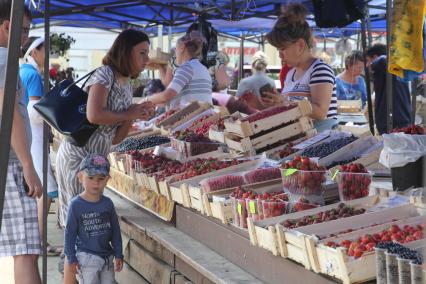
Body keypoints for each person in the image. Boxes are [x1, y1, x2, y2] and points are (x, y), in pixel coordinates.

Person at [55, 29, 155, 230]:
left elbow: (116, 138)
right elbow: (94, 115)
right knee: (77, 224)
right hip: (78, 159)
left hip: (96, 164)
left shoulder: (127, 84)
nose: (147, 58)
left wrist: (134, 114)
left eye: (147, 53)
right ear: (126, 52)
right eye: (142, 53)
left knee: (88, 226)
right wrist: (129, 113)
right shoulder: (105, 75)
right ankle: (71, 262)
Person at [0, 1, 43, 283]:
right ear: (7, 26)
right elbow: (8, 109)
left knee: (23, 248)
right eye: (24, 30)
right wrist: (28, 164)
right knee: (26, 249)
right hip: (11, 160)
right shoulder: (4, 58)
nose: (25, 37)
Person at [265, 3, 338, 132]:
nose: (280, 55)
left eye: (283, 48)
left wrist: (285, 103)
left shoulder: (320, 70)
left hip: (321, 143)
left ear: (300, 45)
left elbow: (320, 112)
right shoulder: (290, 74)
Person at [20, 36, 61, 255]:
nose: (48, 55)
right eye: (46, 50)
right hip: (35, 136)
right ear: (35, 51)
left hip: (26, 137)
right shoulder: (33, 75)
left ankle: (37, 242)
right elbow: (34, 110)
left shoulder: (22, 71)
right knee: (46, 191)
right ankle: (39, 243)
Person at [64, 154, 123, 284]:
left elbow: (115, 231)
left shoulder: (108, 204)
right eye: (90, 177)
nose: (96, 183)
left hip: (107, 257)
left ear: (107, 179)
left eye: (101, 178)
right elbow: (70, 233)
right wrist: (71, 258)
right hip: (86, 258)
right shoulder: (75, 205)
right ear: (80, 177)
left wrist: (119, 253)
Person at [145, 31, 212, 108]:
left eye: (175, 50)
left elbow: (166, 96)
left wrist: (146, 100)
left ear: (182, 47)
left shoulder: (187, 67)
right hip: (202, 115)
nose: (175, 55)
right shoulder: (203, 68)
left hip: (192, 116)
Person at [365, 43, 412, 134]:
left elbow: (382, 59)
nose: (367, 65)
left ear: (375, 56)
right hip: (401, 119)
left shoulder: (383, 61)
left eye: (368, 60)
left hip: (393, 122)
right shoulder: (395, 68)